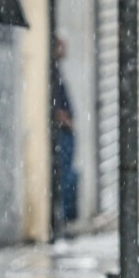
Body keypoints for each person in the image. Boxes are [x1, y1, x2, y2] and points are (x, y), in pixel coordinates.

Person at [51, 33, 79, 227]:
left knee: (68, 173)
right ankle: (64, 216)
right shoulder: (51, 73)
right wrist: (64, 120)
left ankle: (66, 215)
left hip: (66, 132)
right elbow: (54, 108)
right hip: (62, 132)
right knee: (64, 174)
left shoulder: (56, 71)